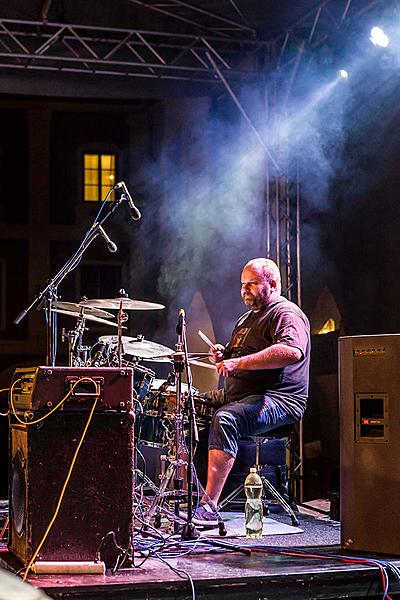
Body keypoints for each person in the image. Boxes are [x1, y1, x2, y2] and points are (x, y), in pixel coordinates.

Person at [192, 257, 310, 526]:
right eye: (243, 284)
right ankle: (186, 493)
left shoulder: (285, 314)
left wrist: (239, 362)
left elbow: (290, 351)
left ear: (274, 284)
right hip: (240, 395)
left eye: (253, 284)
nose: (246, 289)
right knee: (188, 402)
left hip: (280, 399)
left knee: (225, 418)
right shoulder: (247, 319)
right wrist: (224, 354)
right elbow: (239, 356)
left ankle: (209, 506)